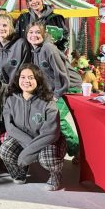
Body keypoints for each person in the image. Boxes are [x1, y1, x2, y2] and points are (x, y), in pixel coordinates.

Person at [0, 63, 66, 191]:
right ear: (18, 79)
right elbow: (10, 127)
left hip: (46, 141)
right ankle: (20, 170)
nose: (26, 81)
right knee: (4, 150)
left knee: (48, 159)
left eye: (31, 77)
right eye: (23, 77)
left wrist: (28, 153)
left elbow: (51, 133)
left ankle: (55, 175)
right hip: (23, 139)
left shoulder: (48, 101)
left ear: (38, 80)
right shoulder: (11, 100)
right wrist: (29, 149)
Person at [27, 22, 80, 158]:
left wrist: (56, 95)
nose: (34, 35)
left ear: (44, 34)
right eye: (31, 32)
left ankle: (77, 151)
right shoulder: (34, 51)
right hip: (54, 89)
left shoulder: (48, 48)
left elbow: (62, 75)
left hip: (69, 87)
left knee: (56, 117)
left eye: (38, 32)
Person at [0, 14, 30, 84]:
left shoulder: (21, 43)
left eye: (5, 25)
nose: (1, 28)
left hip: (18, 86)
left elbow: (25, 68)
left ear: (10, 27)